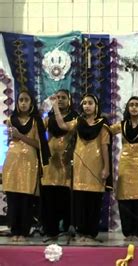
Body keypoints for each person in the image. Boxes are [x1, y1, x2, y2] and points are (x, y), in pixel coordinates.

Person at [52, 93, 112, 242]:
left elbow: (105, 147)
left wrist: (106, 168)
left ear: (96, 106)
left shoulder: (102, 125)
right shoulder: (78, 122)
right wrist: (55, 107)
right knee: (80, 201)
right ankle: (81, 232)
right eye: (84, 103)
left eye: (90, 103)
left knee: (93, 201)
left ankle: (90, 233)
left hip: (96, 168)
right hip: (79, 169)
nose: (87, 106)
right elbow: (62, 125)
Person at [3, 89, 50, 242]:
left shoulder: (37, 121)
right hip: (12, 162)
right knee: (13, 197)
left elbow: (39, 144)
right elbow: (10, 141)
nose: (23, 103)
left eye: (26, 100)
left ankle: (23, 231)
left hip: (29, 162)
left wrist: (20, 136)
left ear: (31, 103)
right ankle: (14, 230)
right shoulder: (11, 119)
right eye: (20, 100)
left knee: (25, 197)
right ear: (17, 103)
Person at [109, 96, 138, 241]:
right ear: (127, 108)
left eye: (137, 105)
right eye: (131, 105)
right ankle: (127, 232)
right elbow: (106, 131)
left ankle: (137, 232)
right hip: (125, 166)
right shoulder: (122, 125)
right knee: (124, 200)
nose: (134, 107)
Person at [42, 89, 78, 239]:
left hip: (65, 162)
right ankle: (50, 230)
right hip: (50, 162)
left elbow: (63, 127)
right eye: (57, 97)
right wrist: (44, 108)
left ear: (69, 100)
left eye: (63, 97)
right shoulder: (49, 118)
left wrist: (54, 107)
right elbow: (37, 128)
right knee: (49, 197)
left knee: (64, 198)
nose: (60, 100)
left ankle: (66, 228)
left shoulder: (75, 118)